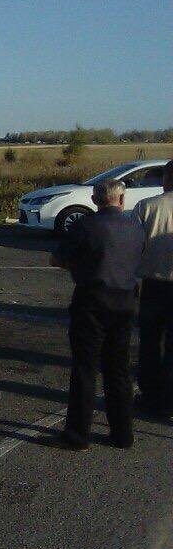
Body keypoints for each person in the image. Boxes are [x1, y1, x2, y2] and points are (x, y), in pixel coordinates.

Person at [51, 177, 145, 449]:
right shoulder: (135, 228)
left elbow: (56, 258)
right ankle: (122, 433)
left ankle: (78, 434)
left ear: (94, 200)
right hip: (124, 302)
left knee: (85, 369)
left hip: (92, 301)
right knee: (118, 370)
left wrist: (78, 264)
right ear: (122, 199)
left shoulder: (85, 226)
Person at [133, 160, 173, 418]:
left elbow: (133, 246)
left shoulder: (147, 207)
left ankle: (150, 396)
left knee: (149, 342)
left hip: (154, 284)